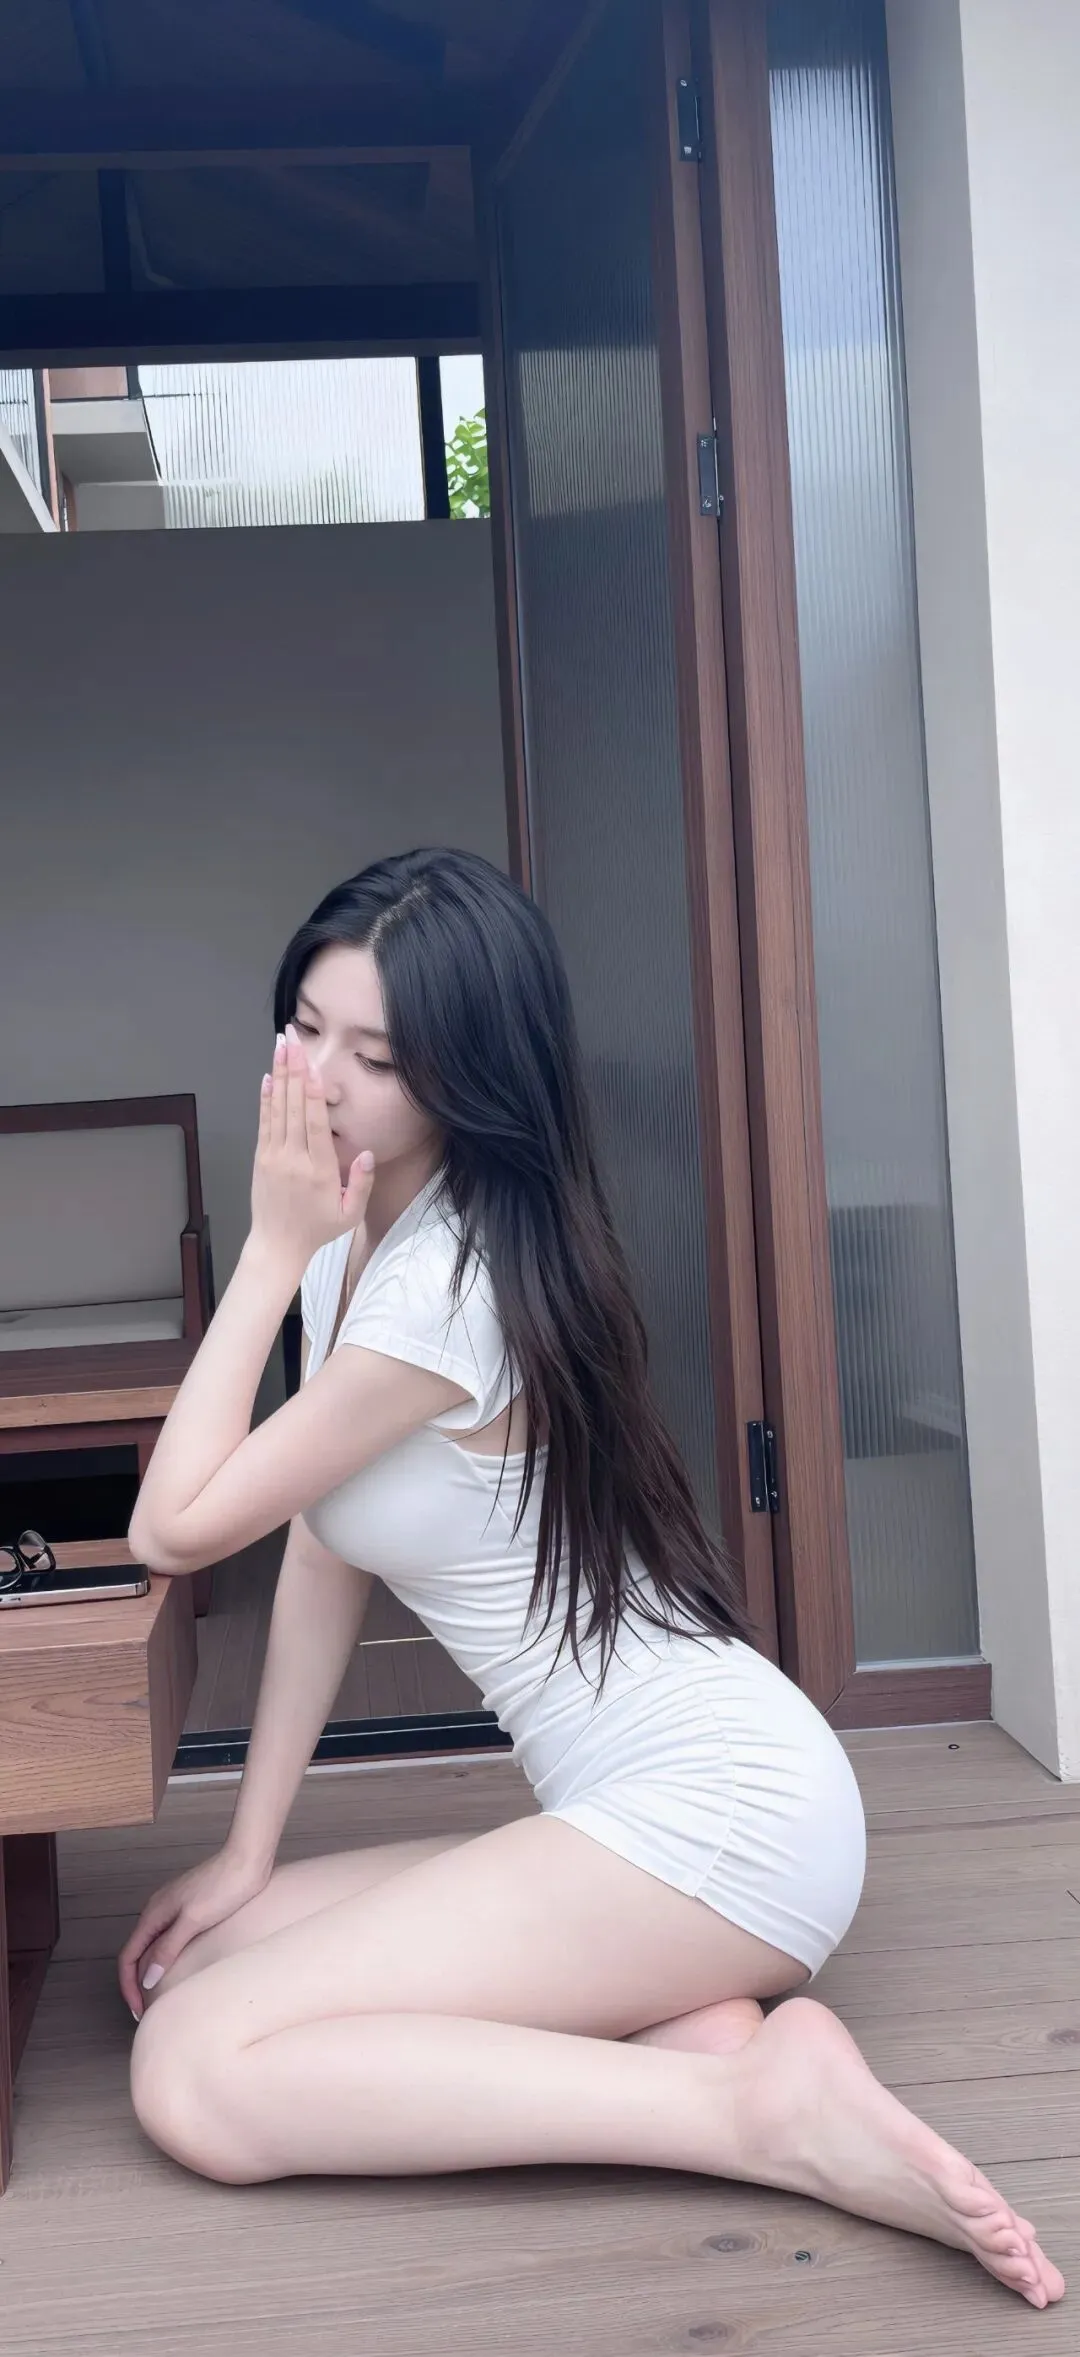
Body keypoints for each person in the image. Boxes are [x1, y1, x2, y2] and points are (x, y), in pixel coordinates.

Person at [122, 847, 1061, 2310]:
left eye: (379, 1057)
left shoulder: (446, 1285)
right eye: (305, 1028)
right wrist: (250, 1847)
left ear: (470, 1076)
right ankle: (702, 2029)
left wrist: (264, 1250)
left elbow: (174, 1531)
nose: (324, 1080)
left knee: (192, 2072)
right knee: (198, 1969)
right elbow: (317, 1540)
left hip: (724, 1812)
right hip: (628, 1814)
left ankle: (741, 2114)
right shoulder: (361, 1240)